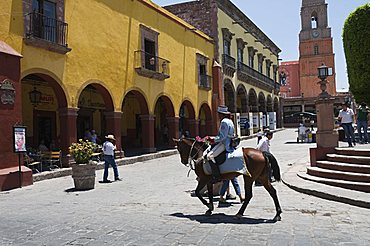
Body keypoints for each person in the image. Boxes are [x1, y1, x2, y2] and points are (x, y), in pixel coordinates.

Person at [205, 105, 235, 183]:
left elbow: (222, 137)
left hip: (225, 144)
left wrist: (212, 139)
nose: (218, 115)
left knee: (209, 156)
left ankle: (216, 176)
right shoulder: (230, 120)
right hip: (229, 141)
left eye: (218, 114)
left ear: (221, 114)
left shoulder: (224, 121)